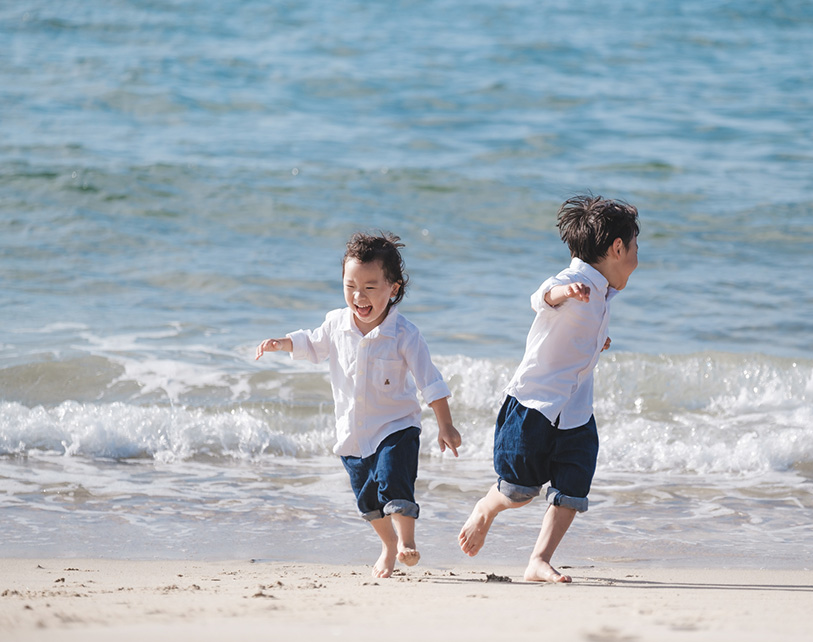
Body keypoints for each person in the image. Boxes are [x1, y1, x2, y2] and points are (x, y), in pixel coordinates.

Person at [257, 232, 461, 578]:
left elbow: (430, 381)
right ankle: (388, 546)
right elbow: (312, 342)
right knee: (368, 502)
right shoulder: (336, 324)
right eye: (350, 286)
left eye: (370, 287)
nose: (358, 296)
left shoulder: (405, 334)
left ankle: (407, 542)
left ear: (393, 288)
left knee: (396, 482)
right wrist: (284, 342)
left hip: (397, 426)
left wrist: (445, 424)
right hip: (353, 435)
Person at [458, 194, 640, 583]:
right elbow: (542, 296)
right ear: (618, 247)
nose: (637, 259)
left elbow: (576, 332)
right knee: (519, 491)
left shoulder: (605, 293)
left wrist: (596, 342)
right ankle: (486, 509)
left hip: (576, 410)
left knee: (573, 486)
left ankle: (538, 559)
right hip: (533, 406)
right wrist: (563, 293)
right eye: (635, 247)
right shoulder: (574, 280)